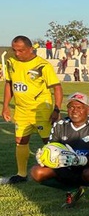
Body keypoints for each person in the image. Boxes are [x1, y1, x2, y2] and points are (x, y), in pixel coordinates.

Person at [1, 35, 63, 184]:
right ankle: (21, 174)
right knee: (20, 140)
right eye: (14, 50)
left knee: (49, 141)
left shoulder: (43, 65)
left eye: (21, 50)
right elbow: (9, 84)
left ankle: (59, 172)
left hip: (41, 110)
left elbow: (57, 88)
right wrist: (5, 106)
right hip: (21, 110)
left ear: (30, 49)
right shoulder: (11, 62)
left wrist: (56, 109)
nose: (17, 53)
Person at [29, 92, 89, 207]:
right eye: (71, 107)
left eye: (79, 107)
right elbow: (51, 149)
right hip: (65, 167)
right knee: (37, 172)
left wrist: (80, 160)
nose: (74, 110)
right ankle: (73, 190)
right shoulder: (59, 125)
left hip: (87, 167)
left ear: (88, 110)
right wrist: (44, 158)